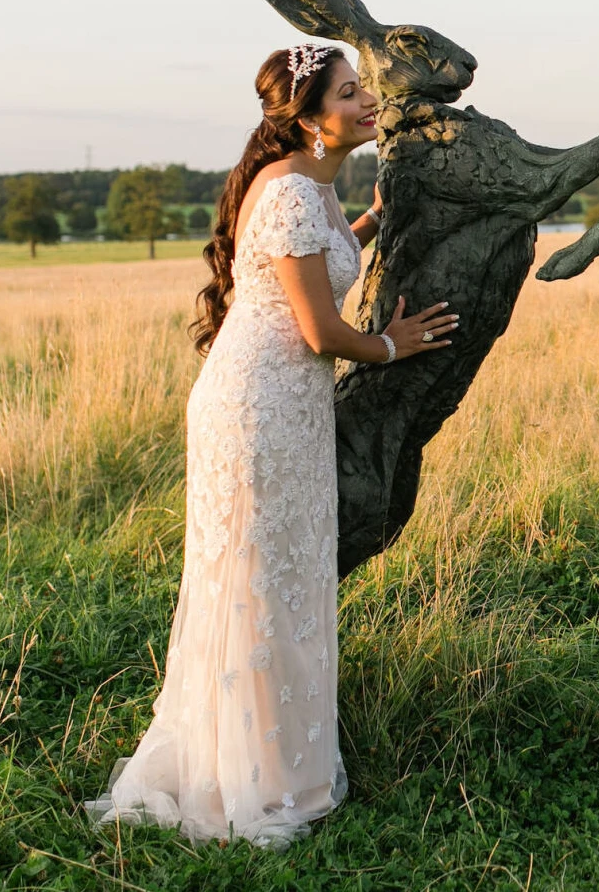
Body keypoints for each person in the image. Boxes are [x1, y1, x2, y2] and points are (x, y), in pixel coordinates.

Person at [84, 43, 458, 848]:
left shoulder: (313, 188)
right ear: (309, 115)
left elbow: (320, 259)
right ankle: (248, 786)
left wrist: (374, 218)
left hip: (286, 410)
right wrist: (394, 344)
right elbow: (320, 329)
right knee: (258, 584)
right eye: (352, 93)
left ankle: (278, 767)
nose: (368, 104)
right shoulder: (289, 191)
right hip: (255, 413)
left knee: (281, 579)